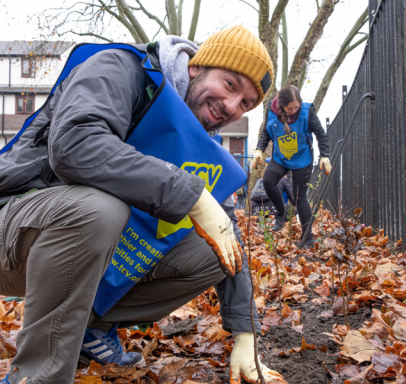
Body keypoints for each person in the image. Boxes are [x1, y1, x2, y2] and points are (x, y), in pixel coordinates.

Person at [0, 26, 287, 383]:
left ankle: (90, 327)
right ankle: (37, 376)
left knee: (214, 251)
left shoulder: (199, 145)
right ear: (198, 66)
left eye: (245, 103)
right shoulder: (123, 69)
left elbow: (228, 237)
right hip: (14, 228)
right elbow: (75, 145)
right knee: (99, 208)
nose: (231, 107)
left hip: (81, 257)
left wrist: (245, 334)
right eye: (230, 85)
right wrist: (193, 196)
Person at [251, 85, 330, 246]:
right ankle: (282, 212)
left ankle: (307, 238)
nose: (294, 110)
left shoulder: (307, 111)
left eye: (296, 107)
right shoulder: (271, 111)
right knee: (268, 181)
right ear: (281, 106)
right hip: (281, 157)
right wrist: (259, 149)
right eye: (289, 108)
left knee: (299, 196)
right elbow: (266, 132)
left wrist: (325, 156)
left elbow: (321, 134)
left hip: (302, 158)